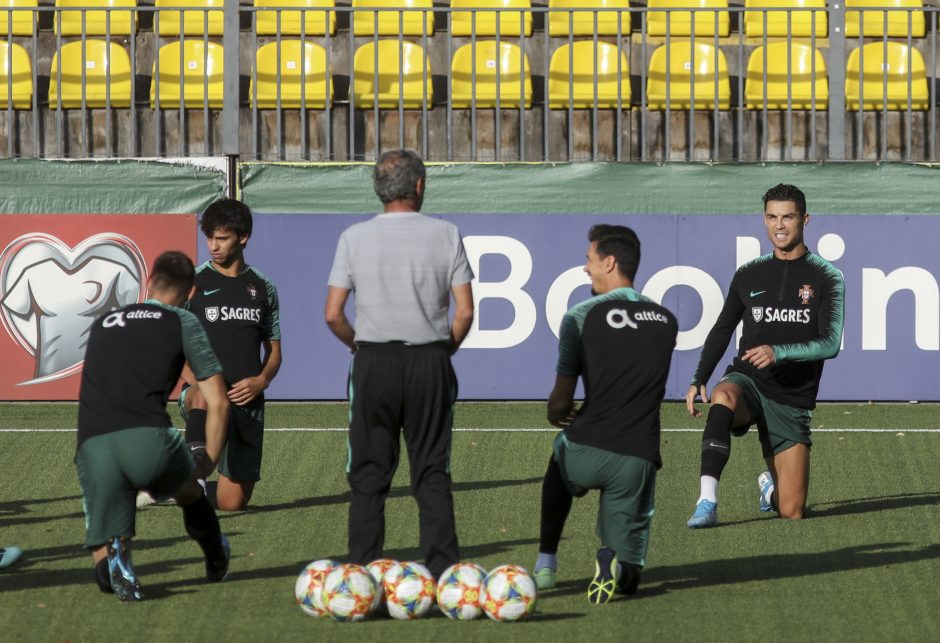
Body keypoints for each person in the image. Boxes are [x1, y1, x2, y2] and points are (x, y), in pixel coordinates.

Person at [324, 149, 475, 578]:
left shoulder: (354, 237)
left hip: (373, 360)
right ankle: (446, 576)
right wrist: (443, 351)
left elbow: (333, 313)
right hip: (429, 359)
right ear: (420, 186)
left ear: (378, 189)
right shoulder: (446, 233)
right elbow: (464, 312)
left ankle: (362, 575)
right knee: (431, 472)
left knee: (369, 473)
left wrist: (359, 347)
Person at [532, 225, 678, 604]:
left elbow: (560, 403)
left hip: (585, 449)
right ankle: (616, 567)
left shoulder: (579, 317)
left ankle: (546, 564)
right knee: (631, 569)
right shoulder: (666, 321)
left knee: (558, 461)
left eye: (589, 259)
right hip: (636, 459)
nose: (585, 268)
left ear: (608, 262)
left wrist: (559, 414)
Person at [74, 251, 231, 601]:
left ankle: (116, 562)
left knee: (104, 562)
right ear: (190, 294)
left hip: (93, 446)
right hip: (149, 442)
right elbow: (218, 400)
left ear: (148, 283)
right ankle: (216, 555)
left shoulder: (105, 321)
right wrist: (210, 459)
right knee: (190, 491)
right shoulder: (182, 321)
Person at [686, 184, 845, 528]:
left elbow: (830, 343)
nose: (780, 225)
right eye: (772, 217)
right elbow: (722, 329)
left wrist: (780, 352)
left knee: (792, 510)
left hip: (792, 398)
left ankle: (768, 489)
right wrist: (699, 377)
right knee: (723, 395)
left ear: (804, 219)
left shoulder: (827, 276)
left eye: (788, 217)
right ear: (764, 220)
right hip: (749, 380)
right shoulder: (749, 273)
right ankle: (706, 500)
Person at [177, 199, 282, 512]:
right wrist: (201, 382)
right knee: (204, 395)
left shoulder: (264, 287)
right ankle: (189, 469)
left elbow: (275, 351)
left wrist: (262, 380)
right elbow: (172, 347)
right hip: (202, 396)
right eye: (209, 238)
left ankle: (171, 484)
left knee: (231, 503)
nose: (213, 245)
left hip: (247, 403)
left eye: (221, 238)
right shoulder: (193, 283)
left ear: (243, 237)